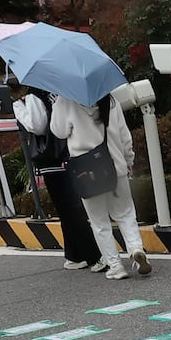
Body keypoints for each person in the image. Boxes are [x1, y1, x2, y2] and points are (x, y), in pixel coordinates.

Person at [49, 92, 151, 282]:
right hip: (115, 167)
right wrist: (129, 159)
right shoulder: (109, 99)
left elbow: (59, 131)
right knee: (126, 214)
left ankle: (115, 266)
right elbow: (124, 135)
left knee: (99, 222)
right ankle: (136, 249)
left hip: (87, 172)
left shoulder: (66, 99)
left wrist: (56, 104)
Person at [11, 87, 102, 272]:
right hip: (71, 152)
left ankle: (92, 255)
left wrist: (18, 108)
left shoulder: (35, 94)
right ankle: (74, 255)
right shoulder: (60, 91)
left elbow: (38, 126)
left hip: (52, 157)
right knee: (71, 207)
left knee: (69, 209)